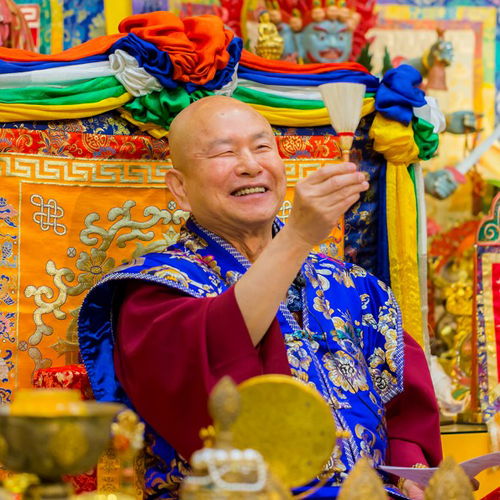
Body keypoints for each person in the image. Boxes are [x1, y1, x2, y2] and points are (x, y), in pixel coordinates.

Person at [78, 96, 442, 500]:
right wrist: (297, 237)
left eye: (262, 146)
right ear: (180, 188)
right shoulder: (155, 290)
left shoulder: (353, 286)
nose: (250, 165)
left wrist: (413, 473)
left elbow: (404, 405)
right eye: (224, 152)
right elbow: (206, 370)